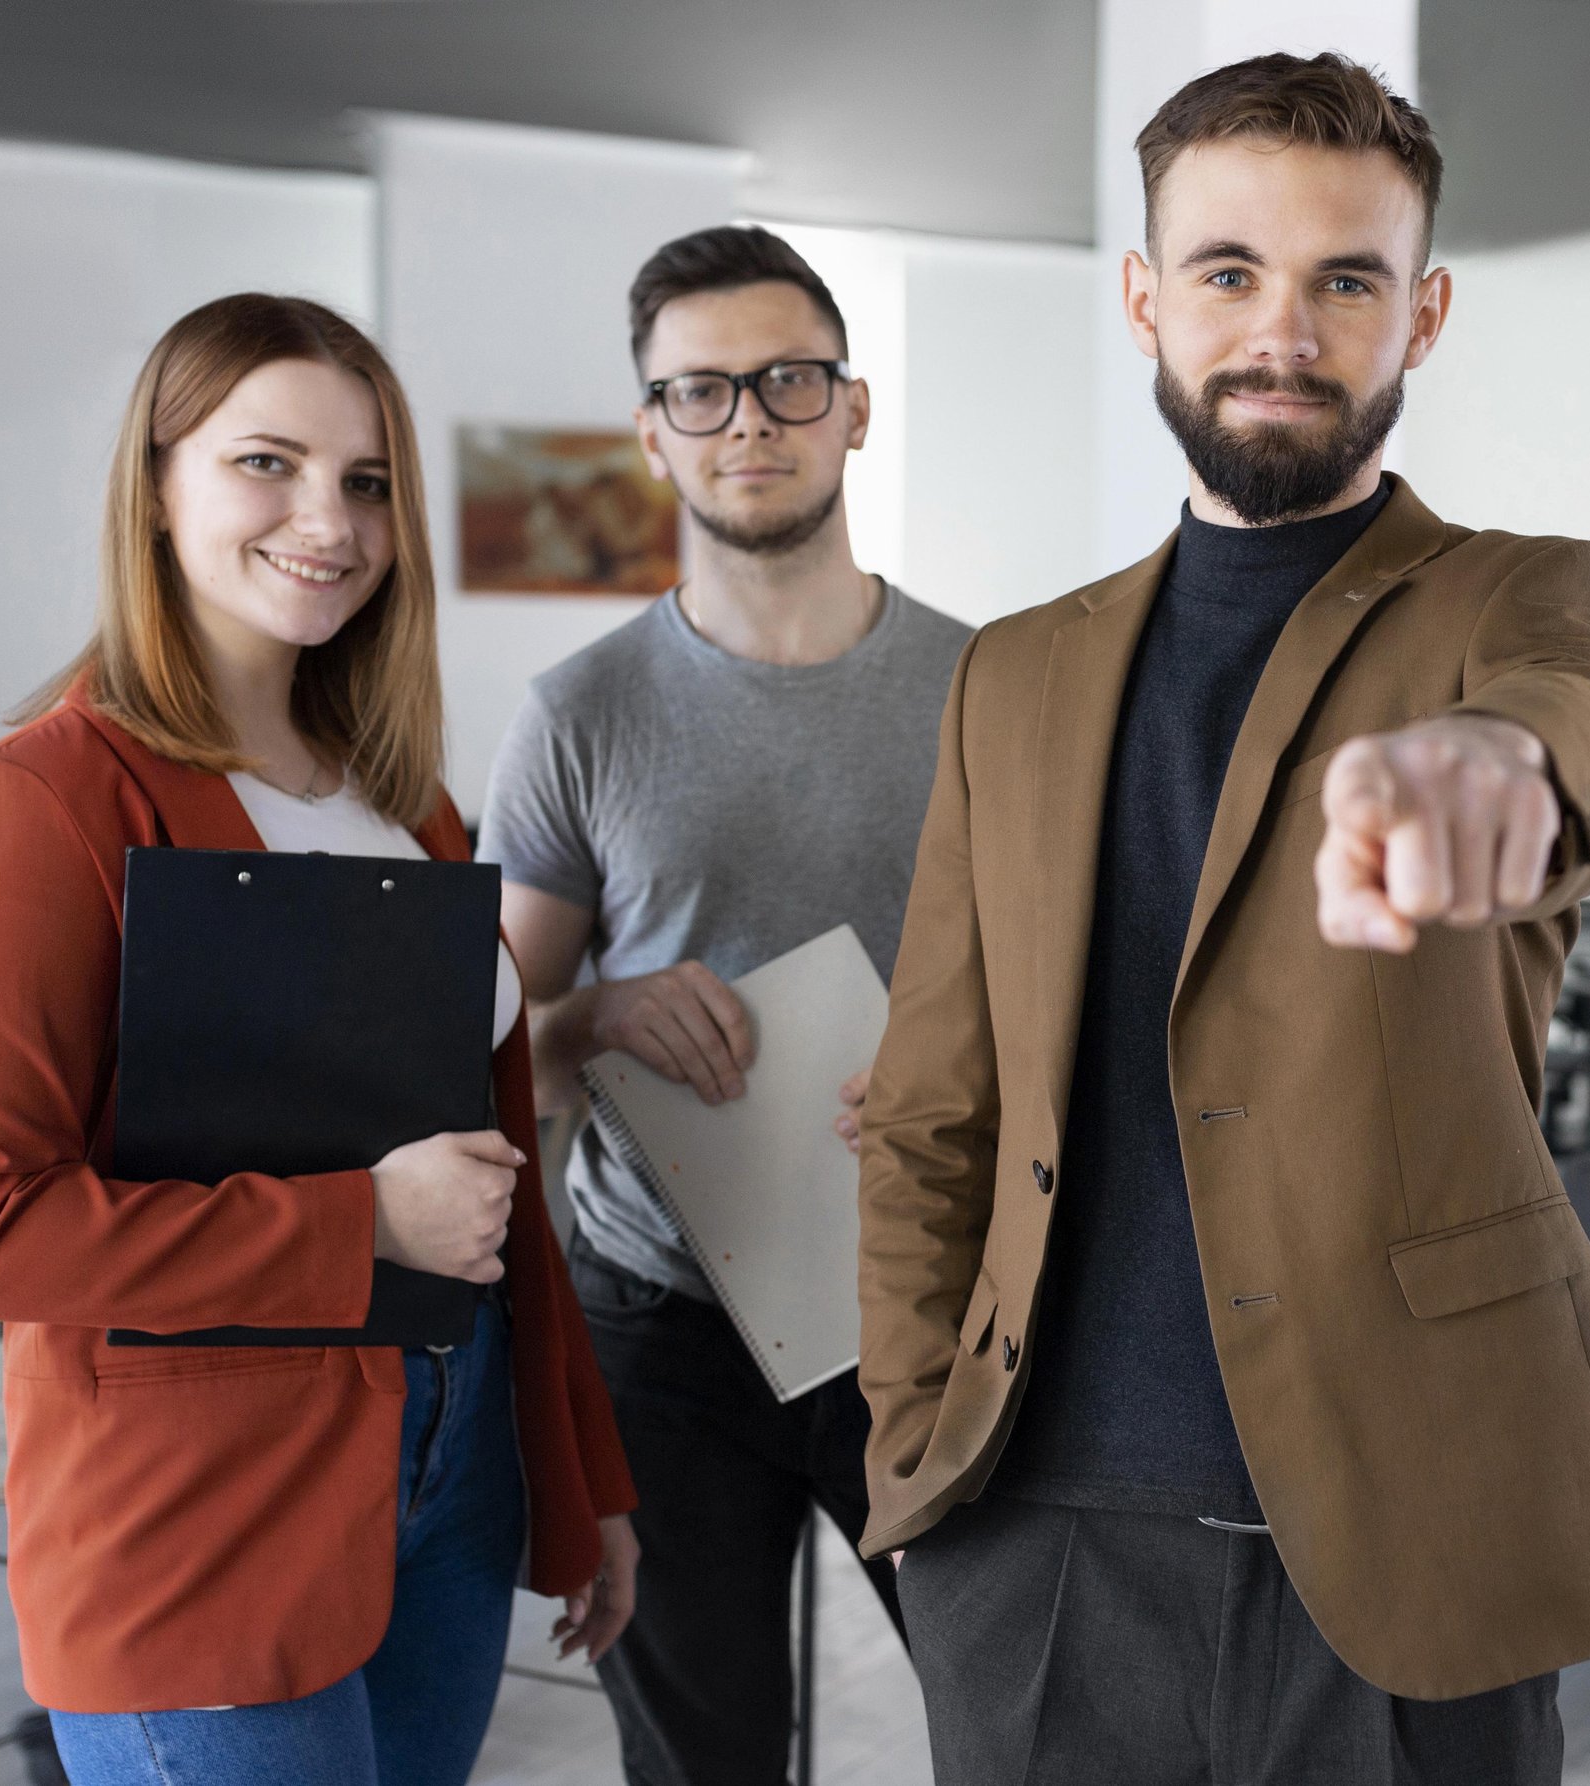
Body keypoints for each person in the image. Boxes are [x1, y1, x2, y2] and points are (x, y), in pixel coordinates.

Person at [855, 52, 1590, 1784]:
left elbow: (1583, 720)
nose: (1285, 332)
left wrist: (1501, 768)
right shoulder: (1010, 676)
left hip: (1413, 1535)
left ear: (1427, 311)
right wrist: (911, 1457)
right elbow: (936, 1104)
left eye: (1348, 280)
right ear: (1147, 298)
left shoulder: (1520, 597)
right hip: (1041, 1534)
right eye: (1232, 273)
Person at [0, 294, 639, 1786]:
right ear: (158, 487)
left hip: (450, 1476)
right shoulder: (44, 800)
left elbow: (496, 1188)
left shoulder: (408, 807)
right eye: (267, 463)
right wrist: (358, 1221)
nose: (329, 518)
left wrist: (575, 1480)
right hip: (199, 1521)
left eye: (367, 481)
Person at [481, 225, 970, 1785]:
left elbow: (1068, 1000)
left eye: (785, 380)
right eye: (700, 392)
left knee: (1018, 1724)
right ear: (651, 432)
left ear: (855, 406)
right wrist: (600, 1014)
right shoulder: (579, 715)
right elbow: (490, 1045)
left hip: (925, 1302)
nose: (747, 419)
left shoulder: (990, 688)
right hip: (663, 1324)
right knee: (703, 1768)